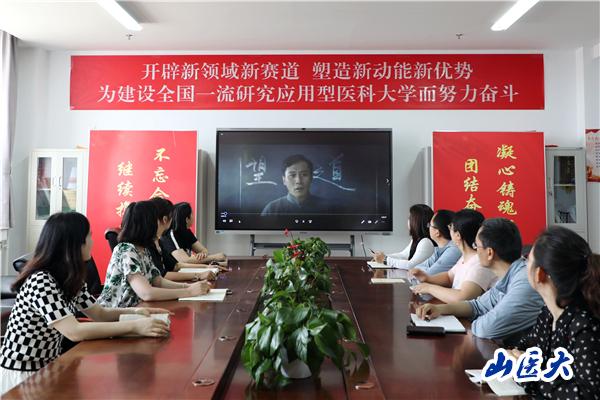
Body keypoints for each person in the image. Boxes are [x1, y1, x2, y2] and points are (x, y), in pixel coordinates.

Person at [0, 212, 170, 394]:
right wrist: (134, 326)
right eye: (89, 236)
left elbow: (100, 314)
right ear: (75, 243)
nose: (92, 242)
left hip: (47, 368)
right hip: (22, 374)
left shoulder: (69, 277)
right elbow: (74, 331)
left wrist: (136, 313)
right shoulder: (41, 280)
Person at [416, 218, 544, 346]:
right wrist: (440, 309)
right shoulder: (507, 276)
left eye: (476, 246)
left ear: (489, 253)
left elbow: (486, 329)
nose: (475, 250)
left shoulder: (524, 281)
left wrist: (474, 321)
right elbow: (477, 306)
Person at [509, 226, 600, 398]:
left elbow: (588, 394)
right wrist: (514, 354)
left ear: (539, 274)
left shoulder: (584, 324)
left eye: (527, 260)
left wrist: (529, 375)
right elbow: (527, 345)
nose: (525, 264)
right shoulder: (548, 313)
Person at [98, 201, 211, 308]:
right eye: (155, 220)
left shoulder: (143, 249)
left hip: (137, 309)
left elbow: (158, 281)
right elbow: (146, 293)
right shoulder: (126, 250)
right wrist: (189, 292)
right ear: (147, 225)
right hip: (117, 313)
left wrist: (188, 286)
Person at [410, 209, 497, 303]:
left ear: (458, 235)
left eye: (451, 226)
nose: (449, 229)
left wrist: (429, 288)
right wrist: (427, 278)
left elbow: (462, 297)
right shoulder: (467, 256)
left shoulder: (480, 263)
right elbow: (449, 277)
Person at [148, 197, 215, 282]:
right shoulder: (166, 236)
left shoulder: (159, 241)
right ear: (165, 219)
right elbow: (164, 275)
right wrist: (214, 258)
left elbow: (176, 266)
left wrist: (206, 266)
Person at [159, 202, 226, 271]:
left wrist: (202, 254)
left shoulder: (187, 232)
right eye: (192, 214)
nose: (194, 217)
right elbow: (184, 261)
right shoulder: (170, 235)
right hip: (175, 273)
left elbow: (203, 250)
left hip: (186, 270)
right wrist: (215, 257)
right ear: (187, 219)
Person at [260, 154, 331, 215]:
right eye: (292, 175)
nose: (298, 181)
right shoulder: (271, 210)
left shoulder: (327, 208)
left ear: (311, 178)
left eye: (304, 174)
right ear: (284, 180)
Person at [373, 204, 435, 270]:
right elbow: (404, 255)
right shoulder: (418, 239)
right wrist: (382, 257)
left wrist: (385, 259)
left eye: (409, 218)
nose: (408, 221)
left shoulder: (426, 242)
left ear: (416, 221)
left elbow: (411, 265)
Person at [409, 209, 461, 276]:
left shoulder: (454, 250)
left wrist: (422, 271)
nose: (428, 228)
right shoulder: (438, 249)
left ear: (437, 232)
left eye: (430, 225)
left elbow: (429, 275)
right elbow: (416, 268)